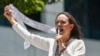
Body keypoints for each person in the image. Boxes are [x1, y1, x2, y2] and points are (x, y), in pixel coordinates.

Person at [4, 5, 85, 56]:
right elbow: (30, 37)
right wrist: (12, 20)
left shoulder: (78, 44)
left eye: (63, 22)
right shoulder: (52, 43)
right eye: (57, 22)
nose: (59, 24)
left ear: (71, 27)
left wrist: (62, 46)